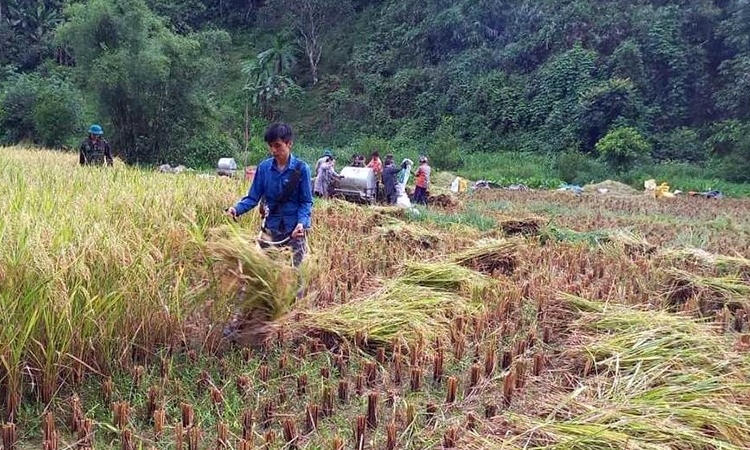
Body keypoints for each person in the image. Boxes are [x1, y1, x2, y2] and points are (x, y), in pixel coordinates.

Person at [226, 122, 313, 269]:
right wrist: (236, 209)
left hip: (294, 231)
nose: (273, 150)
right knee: (265, 275)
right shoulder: (264, 168)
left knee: (295, 276)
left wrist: (301, 223)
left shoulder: (302, 169)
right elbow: (253, 198)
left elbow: (306, 202)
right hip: (271, 230)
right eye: (271, 146)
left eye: (278, 145)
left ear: (289, 143)